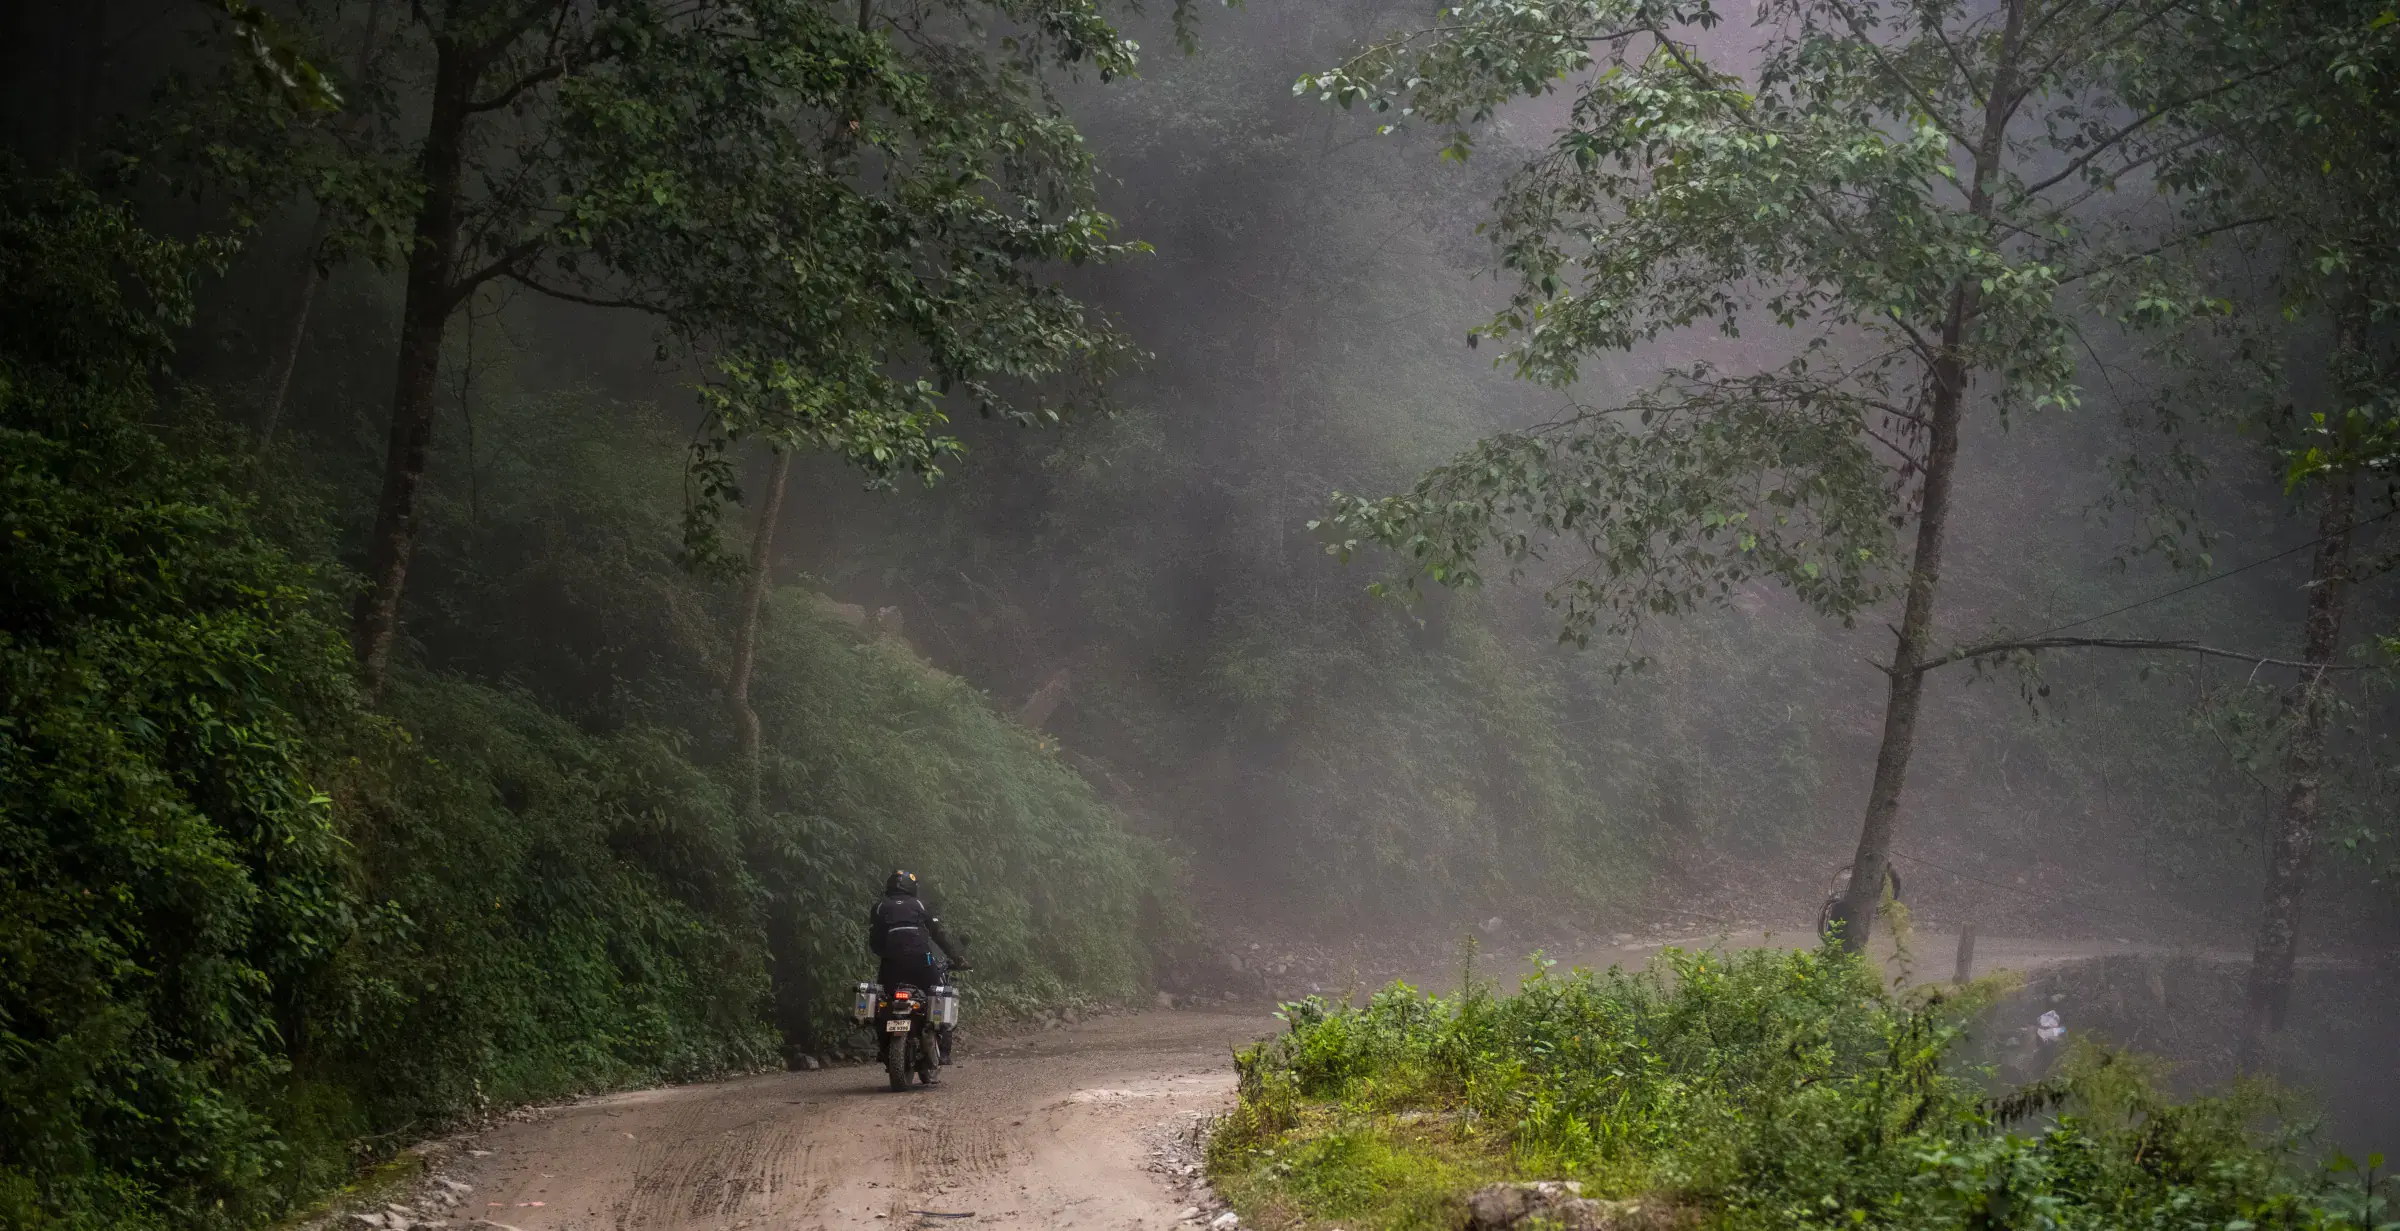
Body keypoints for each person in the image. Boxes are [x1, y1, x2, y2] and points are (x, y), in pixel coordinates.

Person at [867, 870, 969, 1064]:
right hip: (922, 961)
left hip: (891, 965)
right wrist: (956, 958)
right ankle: (944, 1051)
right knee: (937, 991)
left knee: (885, 1001)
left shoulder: (879, 908)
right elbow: (938, 935)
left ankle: (883, 1048)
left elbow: (875, 942)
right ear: (912, 887)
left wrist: (888, 955)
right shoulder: (920, 905)